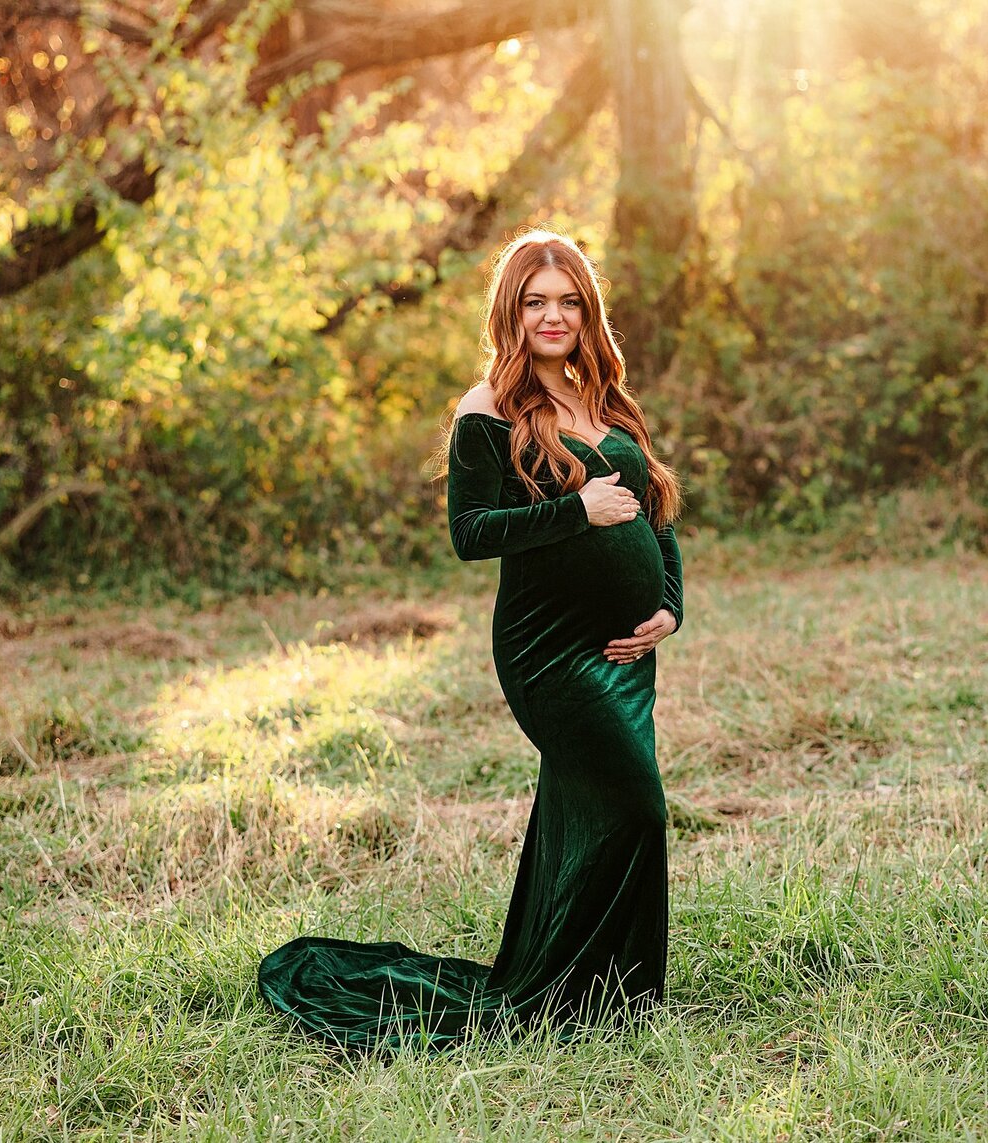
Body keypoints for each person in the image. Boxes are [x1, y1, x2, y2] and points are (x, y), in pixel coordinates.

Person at [257, 228, 685, 1050]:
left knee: (586, 810)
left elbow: (657, 518)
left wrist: (669, 605)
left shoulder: (606, 400)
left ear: (587, 311)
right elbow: (471, 531)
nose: (552, 316)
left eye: (568, 301)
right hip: (549, 650)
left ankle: (610, 995)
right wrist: (576, 509)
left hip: (629, 656)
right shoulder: (488, 407)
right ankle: (561, 993)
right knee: (637, 809)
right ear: (511, 311)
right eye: (535, 302)